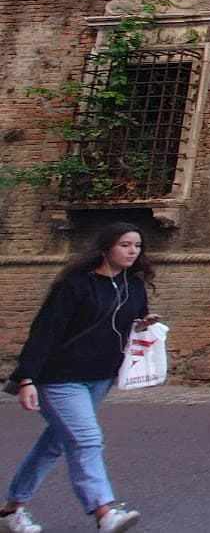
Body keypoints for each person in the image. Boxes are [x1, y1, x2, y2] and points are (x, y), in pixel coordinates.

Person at [2, 223, 159, 533]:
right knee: (86, 440)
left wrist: (143, 325)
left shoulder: (134, 287)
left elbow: (130, 325)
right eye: (125, 245)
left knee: (55, 443)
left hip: (100, 377)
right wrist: (27, 379)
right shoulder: (74, 286)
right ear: (106, 247)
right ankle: (105, 512)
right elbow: (44, 332)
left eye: (137, 246)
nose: (132, 251)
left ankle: (11, 510)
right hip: (60, 378)